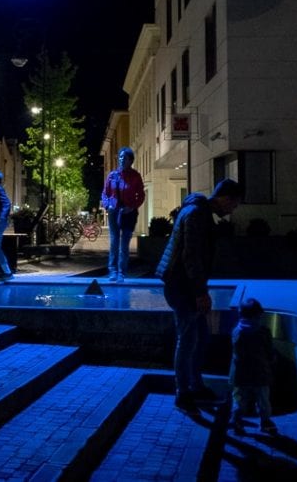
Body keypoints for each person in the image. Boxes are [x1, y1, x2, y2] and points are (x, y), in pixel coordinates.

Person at [156, 178, 243, 413]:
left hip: (183, 284)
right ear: (225, 198)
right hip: (180, 285)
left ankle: (195, 385)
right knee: (188, 339)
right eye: (233, 205)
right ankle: (183, 392)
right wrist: (200, 293)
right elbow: (191, 257)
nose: (232, 211)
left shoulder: (199, 211)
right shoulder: (196, 214)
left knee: (199, 336)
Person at [229, 298, 278, 435]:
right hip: (260, 373)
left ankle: (237, 420)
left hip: (239, 374)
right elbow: (269, 353)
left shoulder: (236, 332)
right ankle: (265, 422)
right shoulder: (263, 332)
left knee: (239, 398)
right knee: (263, 399)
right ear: (258, 315)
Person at [101, 146, 145, 283]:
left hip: (128, 213)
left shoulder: (135, 176)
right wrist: (107, 204)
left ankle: (122, 272)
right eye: (120, 157)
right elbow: (105, 193)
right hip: (114, 212)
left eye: (124, 158)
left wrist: (132, 207)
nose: (121, 159)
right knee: (114, 241)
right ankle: (112, 271)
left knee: (124, 243)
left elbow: (141, 195)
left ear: (130, 160)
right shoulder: (112, 175)